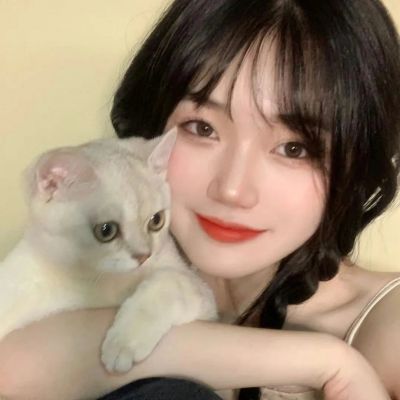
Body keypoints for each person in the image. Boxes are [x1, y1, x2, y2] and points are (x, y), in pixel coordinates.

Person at [0, 0, 400, 399]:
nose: (232, 190)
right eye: (202, 127)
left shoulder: (388, 328)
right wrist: (327, 362)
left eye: (295, 148)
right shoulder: (99, 270)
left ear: (357, 163)